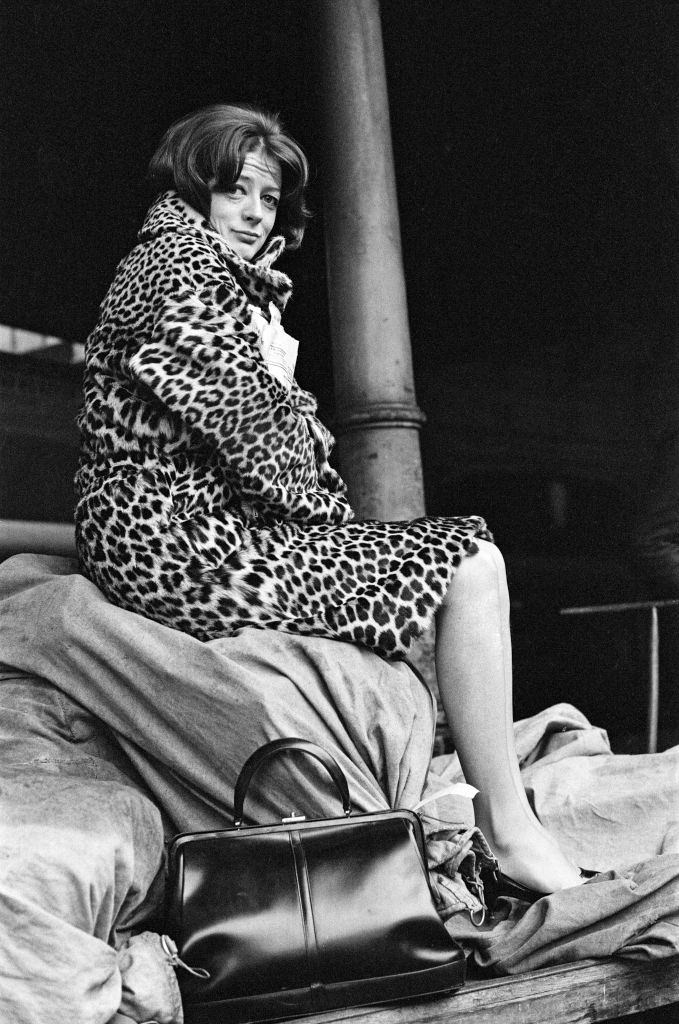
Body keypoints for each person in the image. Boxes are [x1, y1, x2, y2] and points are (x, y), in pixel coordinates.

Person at [72, 101, 583, 898]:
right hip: (177, 543)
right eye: (233, 189)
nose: (250, 213)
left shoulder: (210, 274)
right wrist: (343, 530)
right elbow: (267, 450)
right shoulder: (178, 269)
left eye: (267, 199)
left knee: (430, 565)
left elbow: (266, 440)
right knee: (468, 561)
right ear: (193, 187)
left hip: (191, 527)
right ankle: (508, 830)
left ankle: (476, 816)